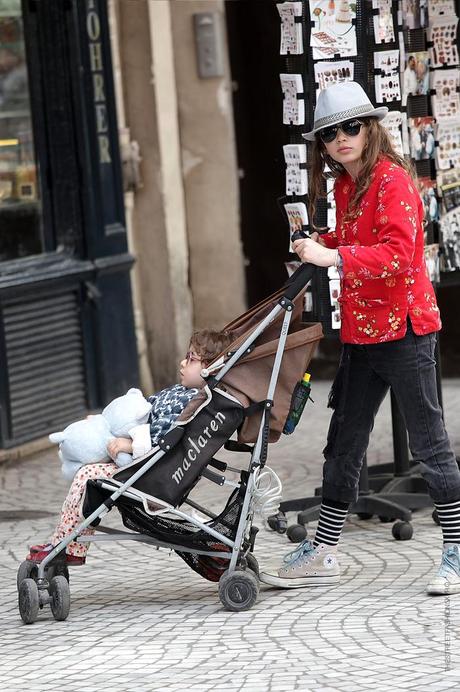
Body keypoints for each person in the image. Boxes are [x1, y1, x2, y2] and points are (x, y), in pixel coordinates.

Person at [259, 81, 460, 595]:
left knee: (430, 443)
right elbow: (354, 240)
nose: (342, 138)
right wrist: (319, 242)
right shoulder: (345, 186)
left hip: (407, 330)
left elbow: (398, 256)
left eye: (352, 126)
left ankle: (457, 550)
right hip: (362, 331)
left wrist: (335, 257)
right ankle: (324, 549)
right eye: (330, 132)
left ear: (370, 129)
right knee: (343, 440)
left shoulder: (394, 182)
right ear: (322, 144)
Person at [26, 329, 234, 566]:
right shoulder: (179, 392)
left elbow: (164, 436)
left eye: (192, 359)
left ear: (211, 369)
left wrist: (131, 443)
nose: (183, 362)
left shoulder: (193, 402)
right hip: (138, 464)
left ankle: (67, 546)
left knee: (87, 476)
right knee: (89, 470)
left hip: (149, 473)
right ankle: (63, 541)